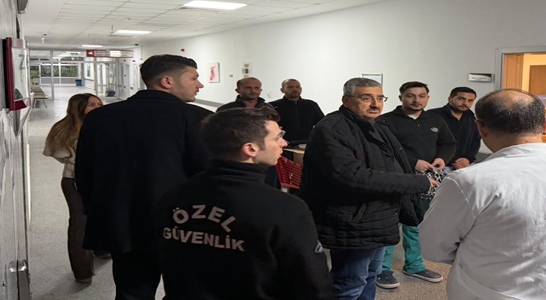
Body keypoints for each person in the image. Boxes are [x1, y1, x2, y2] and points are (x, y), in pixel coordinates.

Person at [419, 89, 546, 300]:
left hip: (493, 292)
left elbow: (433, 246)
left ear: (481, 128)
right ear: (545, 124)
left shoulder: (468, 182)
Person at [157, 108, 335, 300]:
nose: (284, 143)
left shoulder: (175, 196)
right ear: (250, 149)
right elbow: (312, 285)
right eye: (277, 138)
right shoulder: (284, 209)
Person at [76, 54, 212, 300]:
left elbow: (85, 173)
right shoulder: (197, 118)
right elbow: (207, 175)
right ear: (167, 81)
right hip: (182, 225)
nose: (199, 85)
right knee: (186, 291)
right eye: (194, 78)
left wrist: (101, 211)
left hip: (123, 223)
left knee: (132, 291)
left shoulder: (100, 117)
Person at [300, 77, 437, 300]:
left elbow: (391, 163)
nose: (375, 104)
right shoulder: (332, 128)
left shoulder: (375, 125)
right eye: (366, 98)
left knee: (371, 275)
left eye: (380, 98)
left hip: (377, 216)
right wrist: (417, 183)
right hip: (353, 220)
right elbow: (353, 177)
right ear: (346, 100)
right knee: (349, 284)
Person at [375, 81, 456, 289]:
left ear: (428, 98)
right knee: (391, 223)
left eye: (421, 96)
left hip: (425, 181)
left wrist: (442, 158)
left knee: (417, 223)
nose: (416, 100)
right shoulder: (385, 121)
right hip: (395, 179)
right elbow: (381, 151)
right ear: (401, 97)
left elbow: (449, 143)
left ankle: (415, 265)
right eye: (411, 95)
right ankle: (381, 269)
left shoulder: (435, 120)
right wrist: (412, 162)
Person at [43, 93, 103, 284]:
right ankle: (82, 271)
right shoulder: (65, 129)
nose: (98, 107)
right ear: (79, 107)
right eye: (92, 105)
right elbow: (57, 152)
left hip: (102, 181)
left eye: (99, 103)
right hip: (74, 181)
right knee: (80, 223)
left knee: (103, 216)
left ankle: (102, 249)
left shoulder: (105, 124)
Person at [429, 87, 481, 170]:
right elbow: (426, 142)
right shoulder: (433, 115)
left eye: (470, 100)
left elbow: (476, 140)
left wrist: (467, 159)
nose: (465, 103)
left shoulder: (471, 117)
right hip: (436, 165)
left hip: (463, 165)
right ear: (450, 99)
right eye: (461, 99)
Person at [269, 78, 325, 145]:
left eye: (297, 87)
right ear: (282, 90)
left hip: (307, 144)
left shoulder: (311, 105)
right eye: (290, 87)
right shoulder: (273, 106)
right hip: (282, 145)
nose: (295, 89)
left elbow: (322, 125)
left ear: (301, 89)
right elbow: (266, 128)